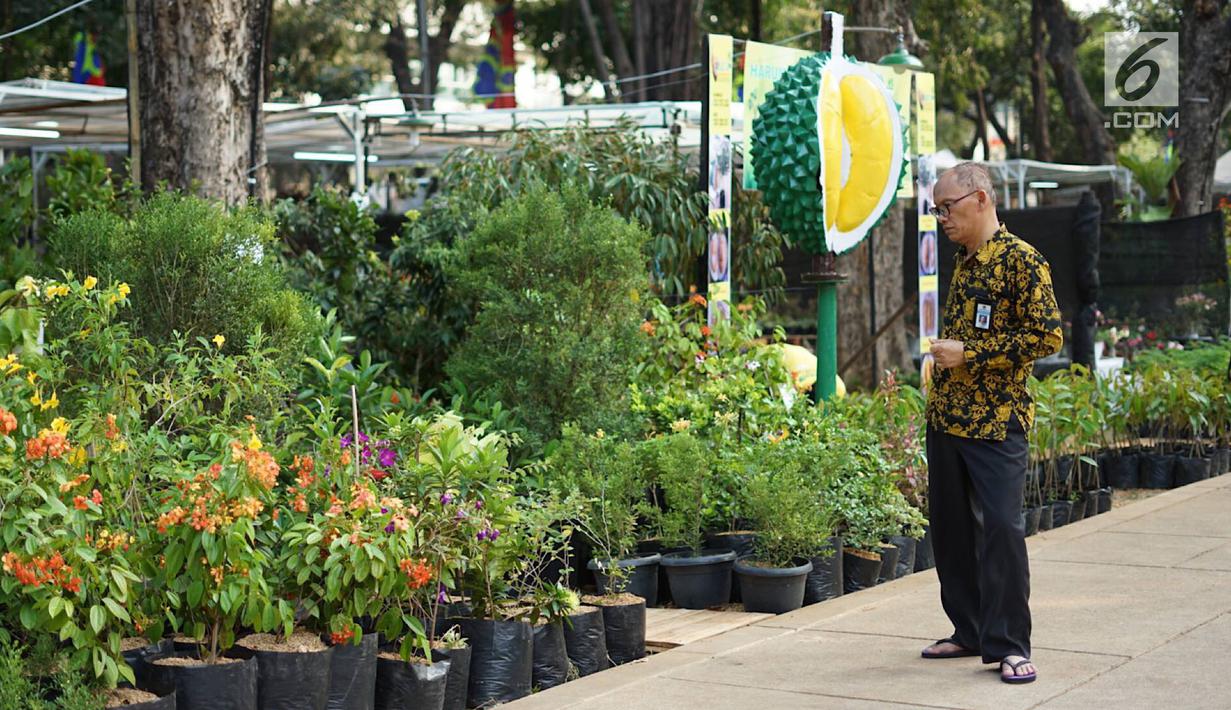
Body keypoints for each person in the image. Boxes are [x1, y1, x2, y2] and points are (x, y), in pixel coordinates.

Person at [922, 162, 1063, 685]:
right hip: (948, 418)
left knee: (1002, 530)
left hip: (997, 421)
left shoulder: (1023, 261)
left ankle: (1010, 645)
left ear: (980, 199)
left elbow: (1047, 338)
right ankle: (970, 629)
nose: (942, 218)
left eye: (947, 207)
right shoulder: (964, 260)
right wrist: (943, 357)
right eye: (937, 209)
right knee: (952, 531)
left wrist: (971, 354)